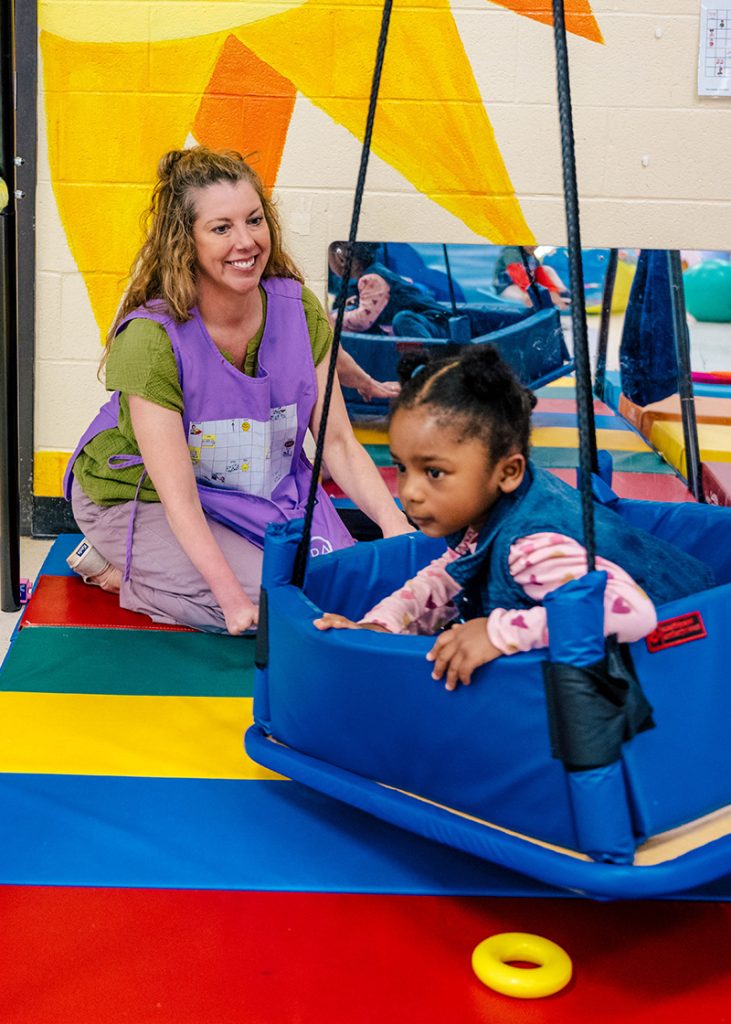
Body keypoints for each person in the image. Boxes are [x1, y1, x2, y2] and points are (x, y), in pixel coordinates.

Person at [64, 146, 410, 635]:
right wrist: (231, 603)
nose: (246, 242)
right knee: (282, 612)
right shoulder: (150, 339)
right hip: (143, 496)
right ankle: (121, 575)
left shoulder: (298, 309)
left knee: (342, 589)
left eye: (254, 220)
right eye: (221, 228)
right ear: (185, 241)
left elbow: (338, 444)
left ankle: (202, 580)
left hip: (256, 489)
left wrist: (396, 529)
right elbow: (180, 499)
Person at [314, 345, 714, 690]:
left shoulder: (531, 546)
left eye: (433, 472)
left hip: (691, 651)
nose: (409, 492)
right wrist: (381, 627)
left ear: (508, 471)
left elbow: (630, 610)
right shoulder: (491, 507)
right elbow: (448, 577)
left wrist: (498, 632)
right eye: (402, 467)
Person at [328, 241, 453, 340]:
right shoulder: (375, 272)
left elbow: (362, 320)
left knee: (404, 320)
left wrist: (333, 318)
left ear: (340, 259)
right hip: (432, 323)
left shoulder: (371, 279)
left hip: (436, 323)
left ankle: (428, 357)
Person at [493, 245, 570, 310]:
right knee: (528, 297)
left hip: (528, 283)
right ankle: (537, 305)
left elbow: (541, 274)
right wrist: (530, 292)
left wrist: (552, 291)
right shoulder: (511, 252)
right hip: (508, 286)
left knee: (546, 269)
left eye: (536, 245)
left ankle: (563, 293)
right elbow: (518, 274)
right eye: (531, 244)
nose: (534, 247)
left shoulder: (530, 254)